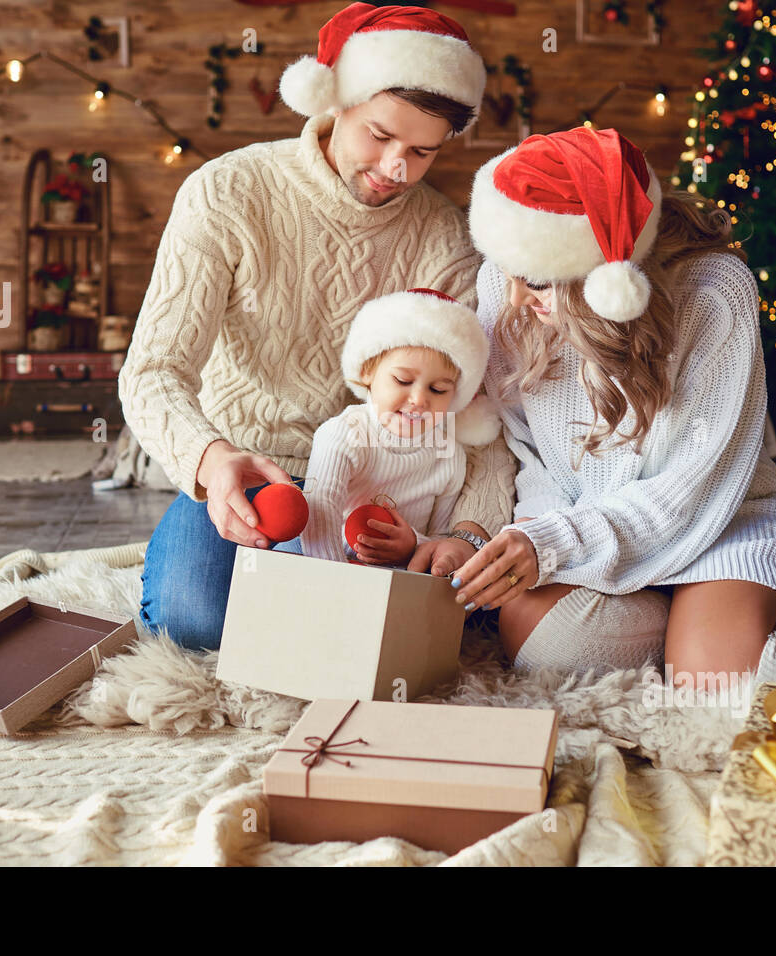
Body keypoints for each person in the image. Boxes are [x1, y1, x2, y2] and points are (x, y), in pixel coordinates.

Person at [429, 125, 776, 685]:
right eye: (507, 270)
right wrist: (540, 535)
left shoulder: (713, 291)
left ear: (605, 276)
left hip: (723, 522)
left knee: (718, 682)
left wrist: (561, 543)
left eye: (536, 281)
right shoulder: (509, 283)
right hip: (595, 527)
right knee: (550, 653)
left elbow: (692, 488)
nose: (513, 296)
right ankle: (692, 623)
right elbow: (531, 455)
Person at [120, 3, 516, 649]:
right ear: (333, 102)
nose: (397, 169)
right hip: (253, 468)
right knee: (195, 622)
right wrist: (212, 459)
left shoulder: (445, 235)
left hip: (386, 485)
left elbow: (483, 408)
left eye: (422, 151)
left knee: (438, 620)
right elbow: (154, 370)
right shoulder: (227, 192)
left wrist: (467, 534)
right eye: (379, 136)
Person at [297, 288, 503, 564]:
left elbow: (440, 539)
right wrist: (340, 586)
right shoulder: (345, 433)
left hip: (396, 577)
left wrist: (414, 544)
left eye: (438, 389)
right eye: (403, 381)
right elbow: (319, 516)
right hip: (323, 560)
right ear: (368, 371)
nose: (419, 399)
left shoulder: (448, 456)